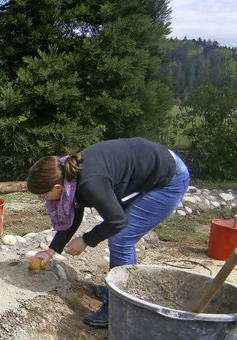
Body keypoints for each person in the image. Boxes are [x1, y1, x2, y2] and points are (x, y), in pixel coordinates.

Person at [26, 137, 190, 328]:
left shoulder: (89, 182)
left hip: (169, 179)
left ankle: (120, 307)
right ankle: (118, 292)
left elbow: (117, 221)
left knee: (121, 238)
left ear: (57, 187)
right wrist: (50, 251)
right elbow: (73, 214)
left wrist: (86, 240)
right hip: (156, 166)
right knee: (119, 230)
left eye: (43, 195)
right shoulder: (68, 173)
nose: (42, 199)